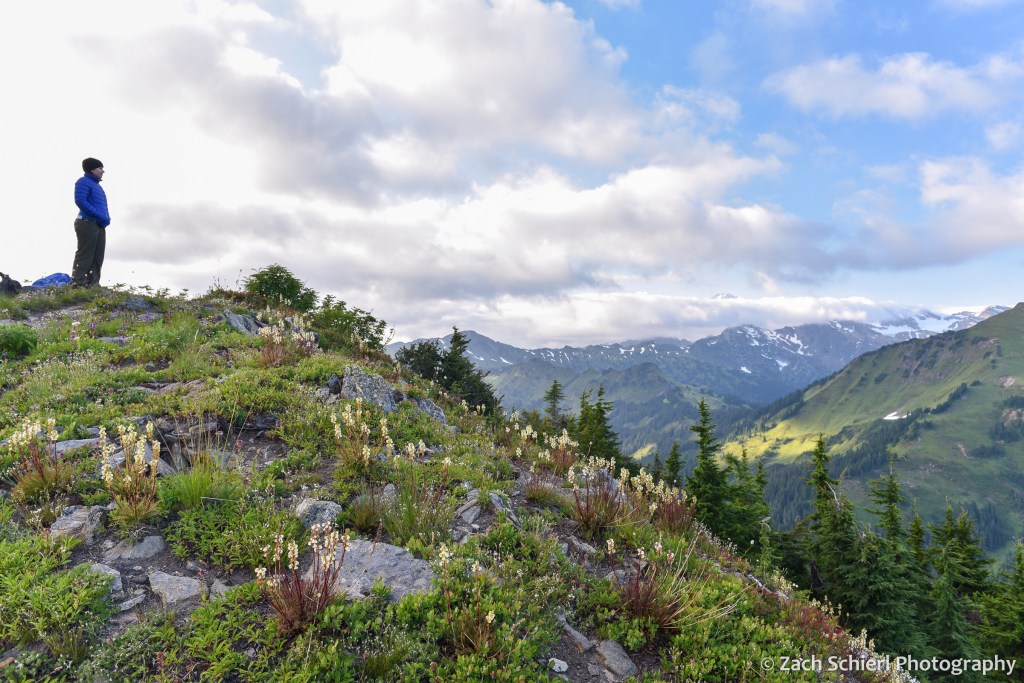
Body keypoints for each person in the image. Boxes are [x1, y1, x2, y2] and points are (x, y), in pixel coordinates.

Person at [72, 157, 110, 287]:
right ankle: (78, 284)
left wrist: (106, 218)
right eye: (100, 168)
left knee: (98, 257)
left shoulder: (97, 186)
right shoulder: (83, 182)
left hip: (99, 224)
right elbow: (80, 201)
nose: (102, 171)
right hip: (86, 222)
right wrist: (99, 215)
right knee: (85, 255)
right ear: (92, 169)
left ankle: (93, 285)